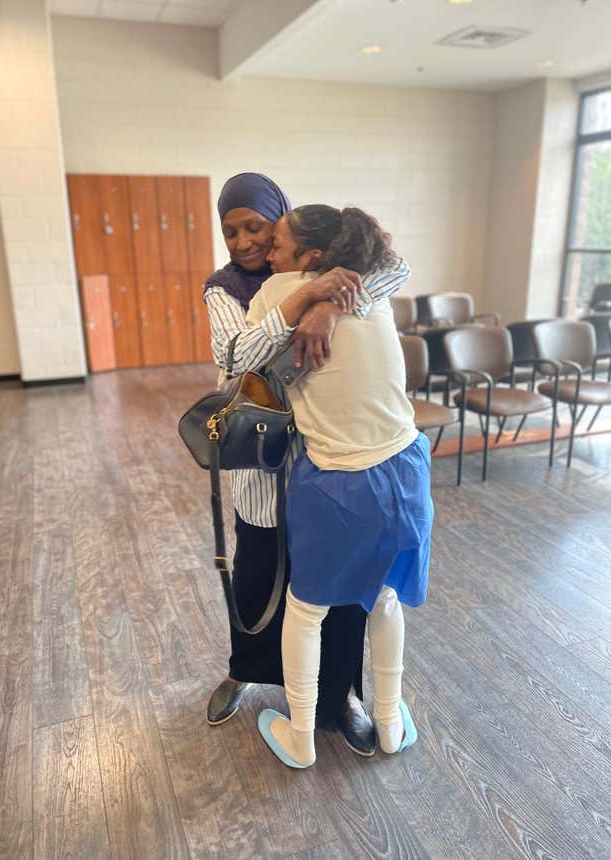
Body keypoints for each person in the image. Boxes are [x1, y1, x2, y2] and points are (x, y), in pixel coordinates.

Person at [203, 173, 411, 755]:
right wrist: (305, 300)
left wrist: (330, 305)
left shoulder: (333, 273)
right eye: (231, 231)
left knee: (337, 591)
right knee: (257, 572)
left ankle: (341, 696)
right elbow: (232, 359)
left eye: (256, 228)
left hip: (328, 461)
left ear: (284, 227)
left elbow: (397, 268)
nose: (245, 243)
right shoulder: (224, 288)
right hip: (267, 457)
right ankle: (245, 671)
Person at [245, 204, 433, 768]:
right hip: (407, 471)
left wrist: (310, 302)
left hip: (339, 484)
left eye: (278, 242)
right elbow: (394, 260)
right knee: (383, 596)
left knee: (306, 611)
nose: (268, 252)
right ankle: (391, 722)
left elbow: (237, 360)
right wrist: (328, 299)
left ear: (313, 257)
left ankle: (301, 738)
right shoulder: (370, 290)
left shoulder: (276, 289)